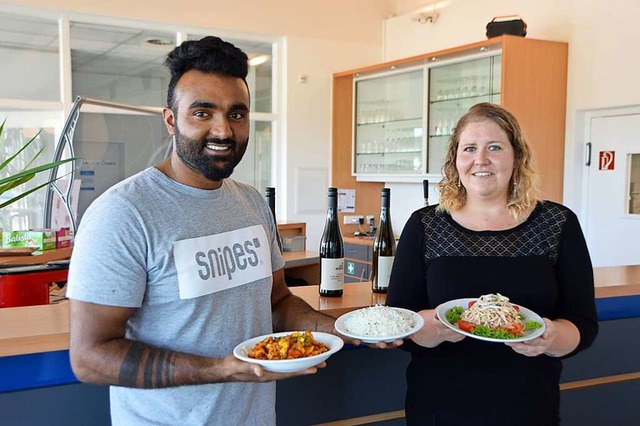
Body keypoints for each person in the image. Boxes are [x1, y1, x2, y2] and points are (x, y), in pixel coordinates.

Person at [67, 36, 343, 425]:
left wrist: (336, 330)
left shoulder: (251, 204)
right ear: (170, 119)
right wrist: (220, 368)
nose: (223, 131)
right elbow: (89, 358)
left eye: (236, 114)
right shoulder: (123, 213)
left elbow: (277, 303)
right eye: (202, 113)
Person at [386, 102, 598, 426]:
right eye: (469, 148)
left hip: (529, 408)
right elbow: (400, 320)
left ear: (517, 157)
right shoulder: (425, 225)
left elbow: (583, 324)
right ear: (455, 160)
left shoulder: (558, 223)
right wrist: (432, 328)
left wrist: (551, 337)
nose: (480, 160)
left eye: (494, 147)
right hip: (438, 408)